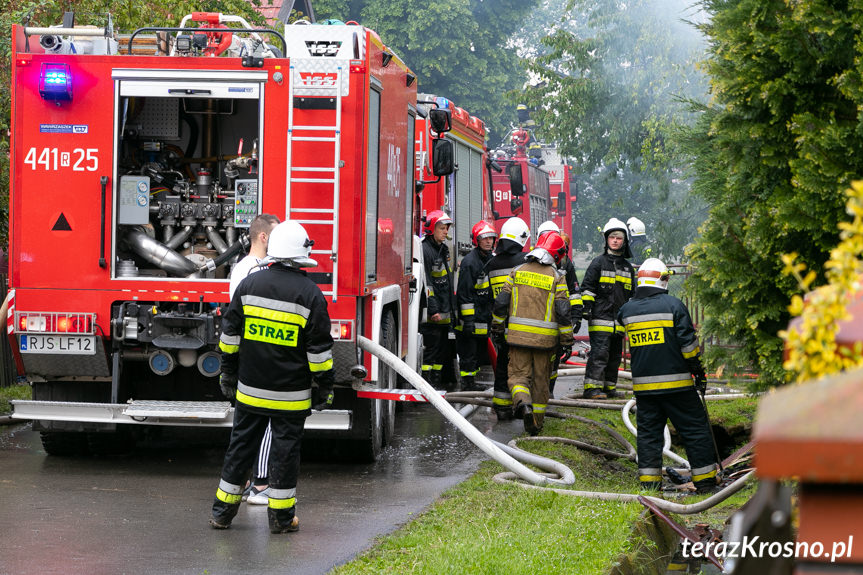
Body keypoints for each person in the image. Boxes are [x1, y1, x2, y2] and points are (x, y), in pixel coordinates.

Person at [211, 220, 335, 534]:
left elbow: (230, 336)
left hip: (249, 390)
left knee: (240, 448)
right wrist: (325, 388)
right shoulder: (311, 295)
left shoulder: (249, 285)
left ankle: (222, 514)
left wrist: (228, 373)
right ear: (301, 254)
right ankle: (281, 519)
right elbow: (318, 353)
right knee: (284, 455)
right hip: (290, 397)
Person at [617, 258, 719, 493]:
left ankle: (650, 486)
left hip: (644, 391)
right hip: (678, 387)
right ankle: (705, 484)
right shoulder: (674, 305)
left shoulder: (627, 310)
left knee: (649, 437)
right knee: (695, 431)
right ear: (662, 280)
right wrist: (699, 372)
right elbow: (689, 348)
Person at [491, 231, 573, 435]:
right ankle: (536, 424)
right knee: (540, 382)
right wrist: (567, 341)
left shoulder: (517, 272)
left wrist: (498, 329)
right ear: (556, 254)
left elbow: (501, 304)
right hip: (545, 343)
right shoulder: (557, 277)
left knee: (518, 378)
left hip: (517, 339)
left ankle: (523, 403)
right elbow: (563, 312)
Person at [228, 214, 280, 505]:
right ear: (263, 237)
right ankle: (261, 485)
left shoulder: (241, 268)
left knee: (250, 422)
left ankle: (246, 481)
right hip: (259, 352)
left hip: (248, 353)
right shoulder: (255, 270)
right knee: (268, 420)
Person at [580, 218, 636, 399]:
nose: (615, 240)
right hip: (600, 319)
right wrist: (586, 308)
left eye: (619, 238)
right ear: (606, 240)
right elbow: (587, 288)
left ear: (624, 241)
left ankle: (608, 388)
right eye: (612, 237)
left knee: (614, 357)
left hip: (618, 323)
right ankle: (591, 389)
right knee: (599, 355)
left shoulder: (628, 268)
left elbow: (632, 296)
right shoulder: (598, 263)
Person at [486, 217, 530, 420]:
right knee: (523, 368)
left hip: (501, 325)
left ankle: (502, 408)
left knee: (503, 366)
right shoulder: (526, 262)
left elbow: (484, 296)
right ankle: (524, 405)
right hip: (524, 325)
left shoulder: (491, 264)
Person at [455, 221, 497, 391]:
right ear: (476, 240)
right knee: (468, 352)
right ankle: (467, 384)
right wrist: (469, 320)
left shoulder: (491, 260)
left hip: (483, 316)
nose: (488, 241)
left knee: (478, 352)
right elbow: (464, 294)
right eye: (484, 238)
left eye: (491, 238)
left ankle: (473, 382)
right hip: (470, 318)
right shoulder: (469, 262)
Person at [420, 210, 455, 389]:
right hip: (433, 312)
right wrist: (433, 310)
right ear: (431, 229)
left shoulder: (442, 249)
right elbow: (427, 282)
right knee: (431, 349)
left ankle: (436, 380)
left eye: (447, 228)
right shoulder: (425, 250)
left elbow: (446, 281)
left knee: (442, 349)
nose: (446, 232)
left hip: (444, 308)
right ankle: (426, 382)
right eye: (442, 228)